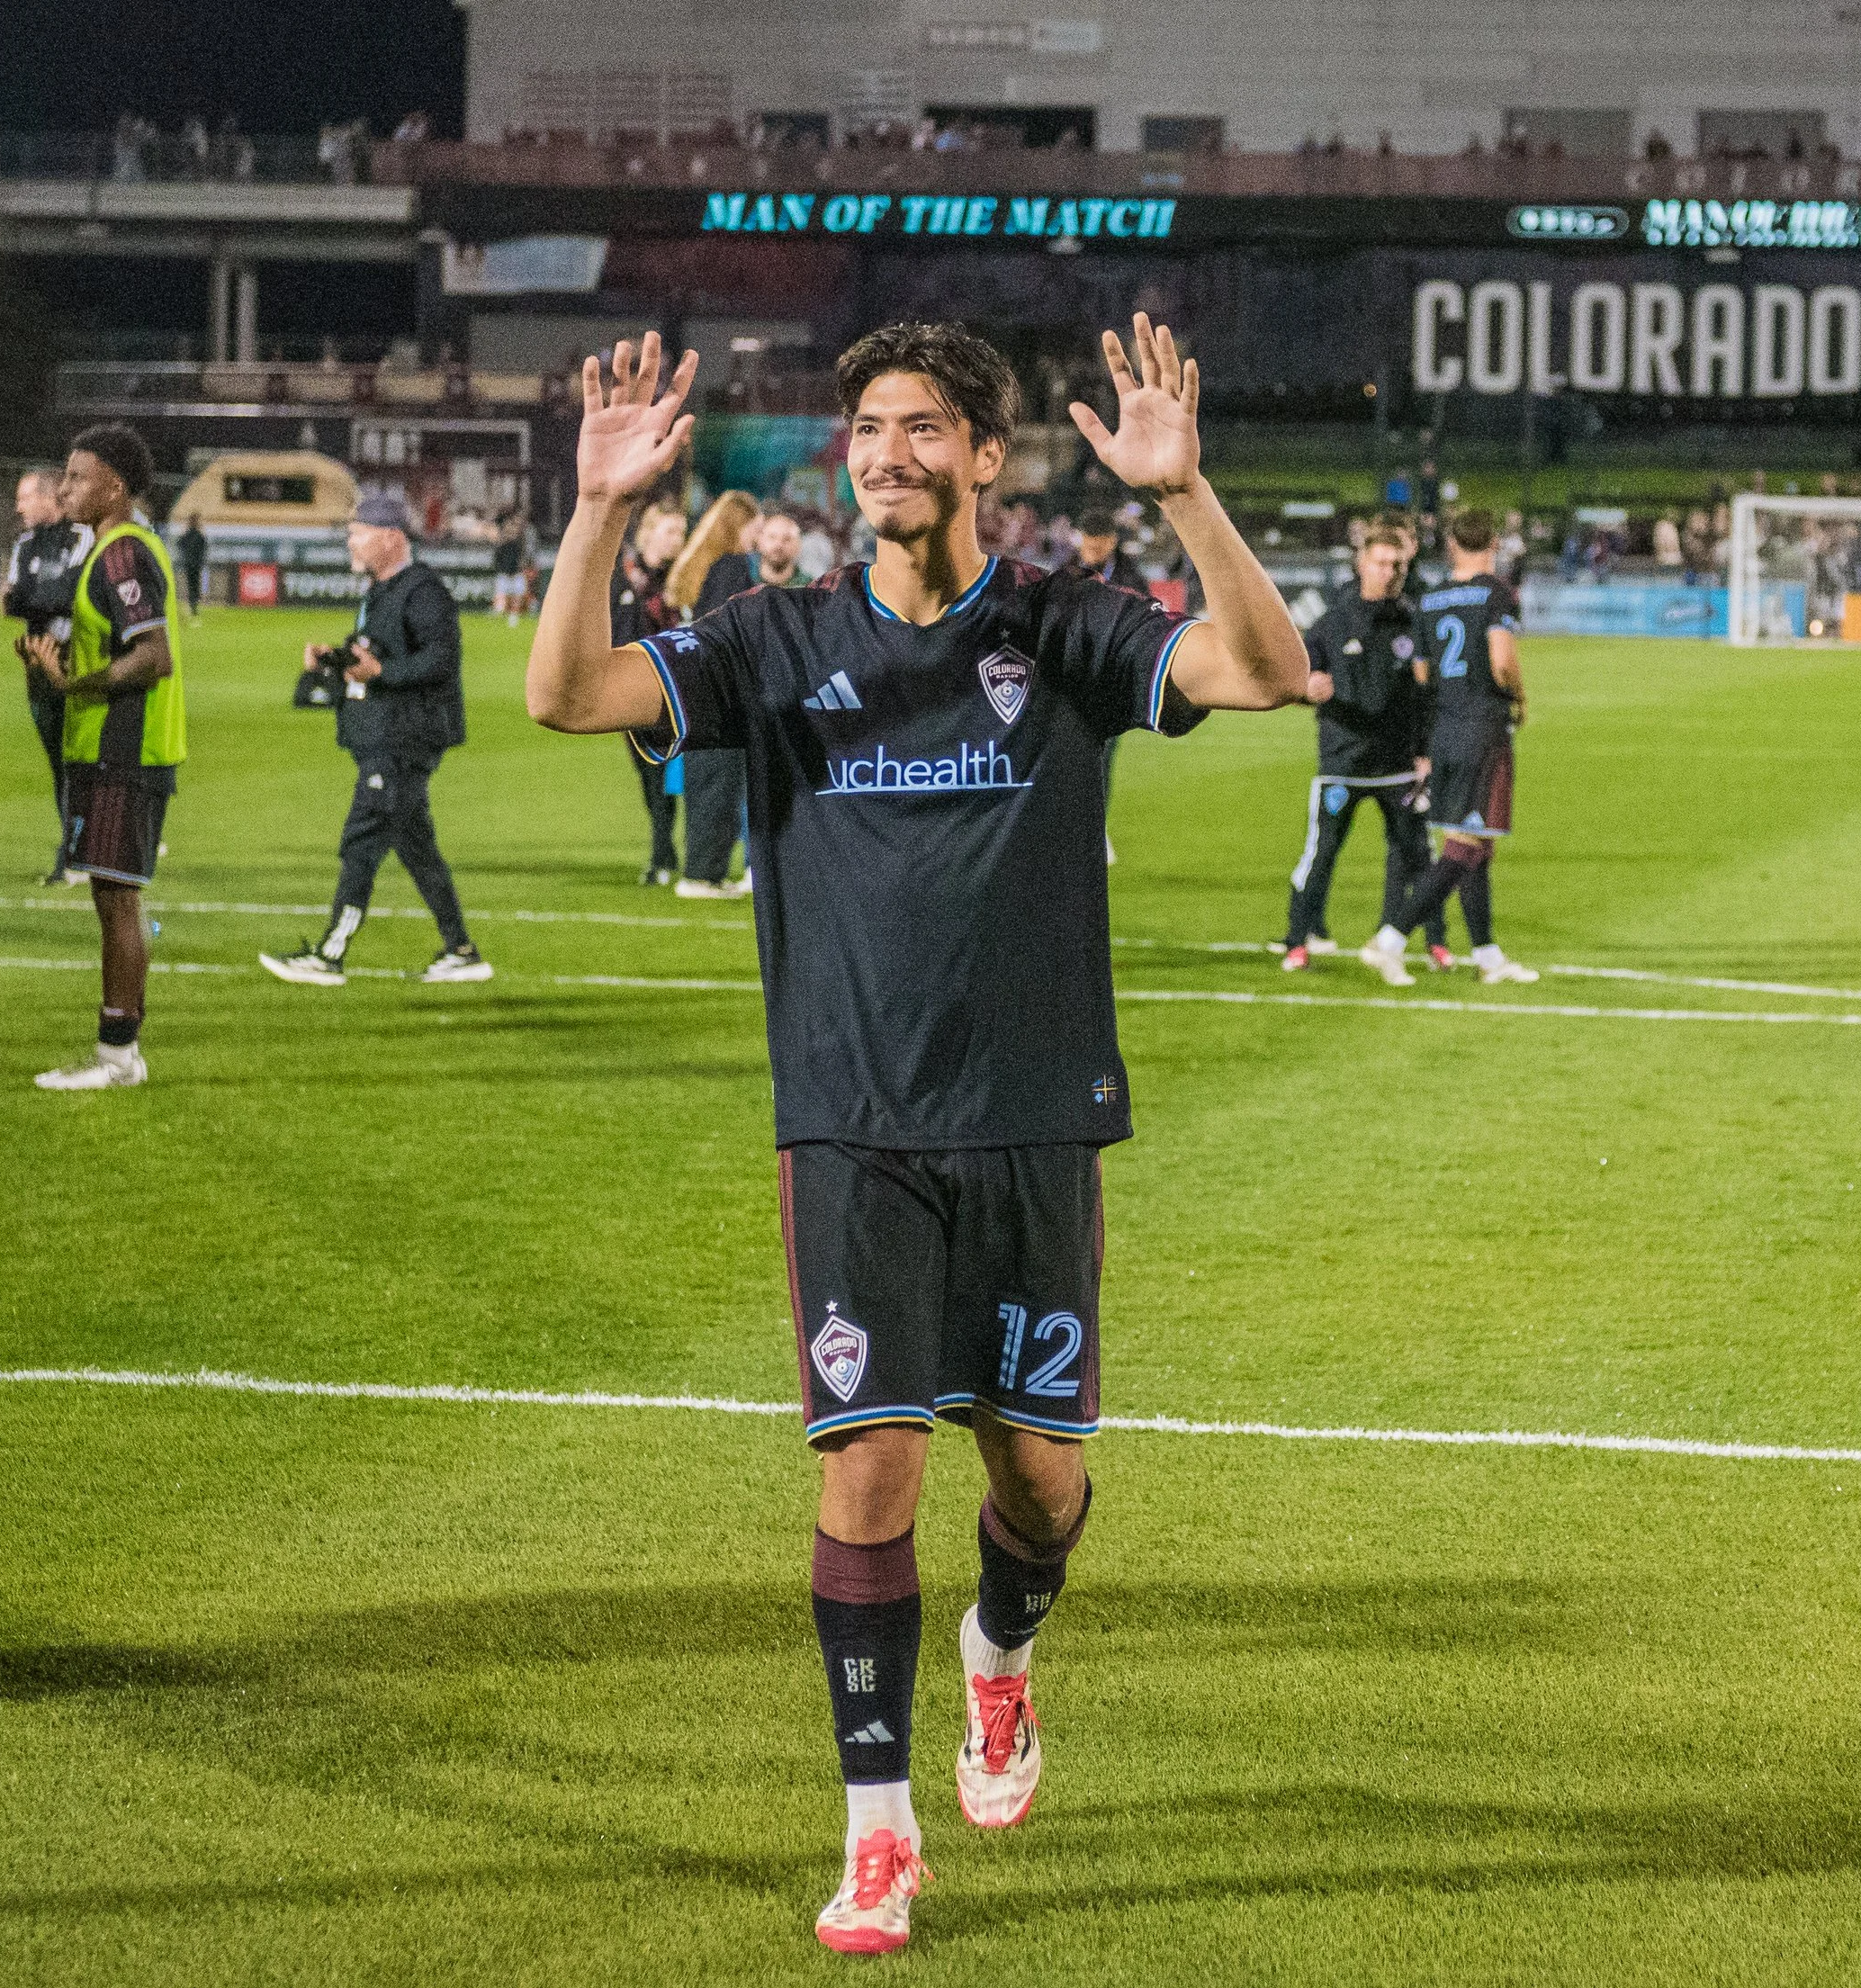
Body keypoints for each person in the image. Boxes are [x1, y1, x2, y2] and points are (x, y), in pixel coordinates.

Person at [526, 315, 1308, 1954]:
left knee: (1035, 1478)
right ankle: (876, 1828)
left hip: (1032, 1119)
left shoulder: (1064, 627)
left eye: (923, 428)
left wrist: (1188, 492)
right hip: (853, 1124)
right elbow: (566, 692)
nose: (888, 452)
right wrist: (599, 509)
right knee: (869, 1464)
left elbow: (1264, 667)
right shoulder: (771, 636)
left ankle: (1003, 1654)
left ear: (985, 457)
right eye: (869, 427)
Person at [258, 493, 490, 986]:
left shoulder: (423, 591)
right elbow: (373, 653)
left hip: (405, 738)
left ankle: (329, 955)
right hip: (384, 734)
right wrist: (333, 658)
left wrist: (381, 671)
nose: (351, 540)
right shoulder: (381, 590)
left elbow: (440, 661)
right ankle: (462, 950)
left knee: (362, 840)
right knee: (416, 846)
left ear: (392, 538)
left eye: (358, 532)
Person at [22, 424, 186, 1091]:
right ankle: (120, 1045)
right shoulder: (108, 550)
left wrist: (71, 683)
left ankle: (118, 1055)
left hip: (127, 750)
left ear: (114, 485)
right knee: (110, 893)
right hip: (106, 749)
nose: (65, 488)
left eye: (77, 477)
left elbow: (153, 656)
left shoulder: (120, 554)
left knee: (118, 898)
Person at [1360, 508, 1538, 987]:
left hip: (1445, 728)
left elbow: (1422, 675)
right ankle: (1392, 938)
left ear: (1452, 545)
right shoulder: (1496, 594)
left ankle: (1487, 955)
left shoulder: (1432, 600)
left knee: (1475, 844)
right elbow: (1502, 660)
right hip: (1483, 727)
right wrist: (1519, 697)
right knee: (1467, 844)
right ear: (1494, 543)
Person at [1280, 518, 1445, 970]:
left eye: (1398, 565)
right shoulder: (1331, 622)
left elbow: (1428, 695)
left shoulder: (1416, 621)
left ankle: (1436, 943)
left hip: (1399, 766)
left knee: (1418, 856)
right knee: (1322, 854)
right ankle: (1297, 940)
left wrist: (1426, 751)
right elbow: (1303, 678)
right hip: (1343, 760)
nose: (1390, 572)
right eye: (1381, 562)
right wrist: (1308, 688)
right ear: (1362, 562)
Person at [680, 502, 811, 898]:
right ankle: (705, 872)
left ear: (799, 547)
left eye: (788, 538)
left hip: (786, 706)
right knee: (719, 787)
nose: (779, 545)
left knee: (782, 791)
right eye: (772, 536)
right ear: (759, 541)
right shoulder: (731, 574)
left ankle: (758, 868)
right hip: (731, 699)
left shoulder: (813, 589)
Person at [3, 466, 95, 884]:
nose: (19, 507)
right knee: (59, 764)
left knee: (80, 762)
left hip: (76, 663)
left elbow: (74, 594)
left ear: (47, 498)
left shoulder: (81, 536)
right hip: (38, 667)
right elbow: (10, 602)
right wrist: (47, 598)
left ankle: (76, 855)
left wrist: (36, 598)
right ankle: (75, 851)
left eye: (24, 497)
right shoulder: (24, 545)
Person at [1065, 509, 1148, 864]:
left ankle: (1095, 831)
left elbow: (1146, 624)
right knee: (1066, 762)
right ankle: (1064, 831)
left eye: (1098, 543)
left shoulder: (1131, 579)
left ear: (1112, 543)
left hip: (1109, 683)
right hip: (1070, 683)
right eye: (1087, 541)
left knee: (1101, 761)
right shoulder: (1064, 576)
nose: (1092, 549)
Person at [611, 500, 687, 884]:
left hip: (680, 688)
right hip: (634, 689)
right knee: (650, 774)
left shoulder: (683, 575)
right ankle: (664, 851)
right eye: (671, 531)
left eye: (682, 532)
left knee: (672, 773)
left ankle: (666, 854)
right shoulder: (624, 575)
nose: (679, 539)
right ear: (649, 532)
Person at [490, 510, 527, 626]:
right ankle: (499, 615)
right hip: (505, 573)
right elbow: (497, 560)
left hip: (516, 573)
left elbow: (522, 559)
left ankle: (513, 617)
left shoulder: (520, 543)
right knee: (501, 595)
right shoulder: (502, 545)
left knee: (518, 596)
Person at [175, 513, 207, 623]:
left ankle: (193, 606)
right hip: (196, 565)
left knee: (191, 585)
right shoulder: (199, 535)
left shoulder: (188, 534)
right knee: (195, 585)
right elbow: (203, 549)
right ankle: (194, 607)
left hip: (189, 564)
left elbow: (179, 544)